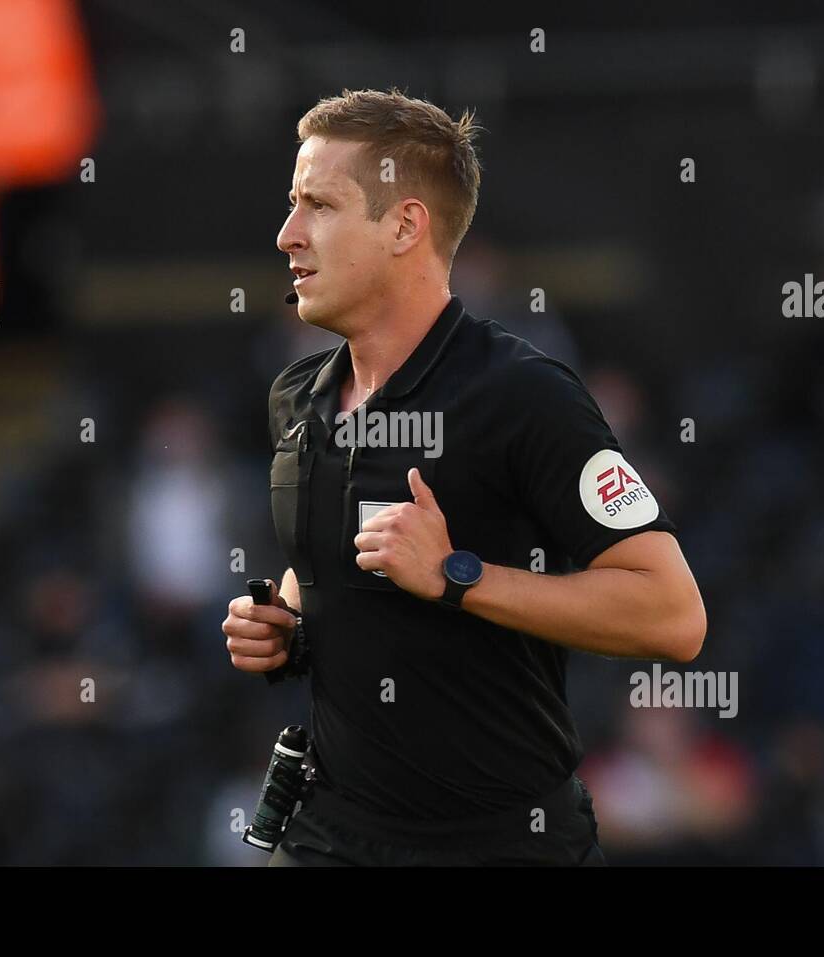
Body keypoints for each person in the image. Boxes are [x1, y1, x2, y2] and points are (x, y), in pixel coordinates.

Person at [221, 88, 706, 866]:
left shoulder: (523, 394)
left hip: (501, 844)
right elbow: (342, 562)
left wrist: (457, 574)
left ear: (406, 225)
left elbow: (673, 613)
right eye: (292, 204)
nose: (287, 235)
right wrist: (286, 622)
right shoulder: (296, 396)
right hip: (328, 835)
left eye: (319, 205)